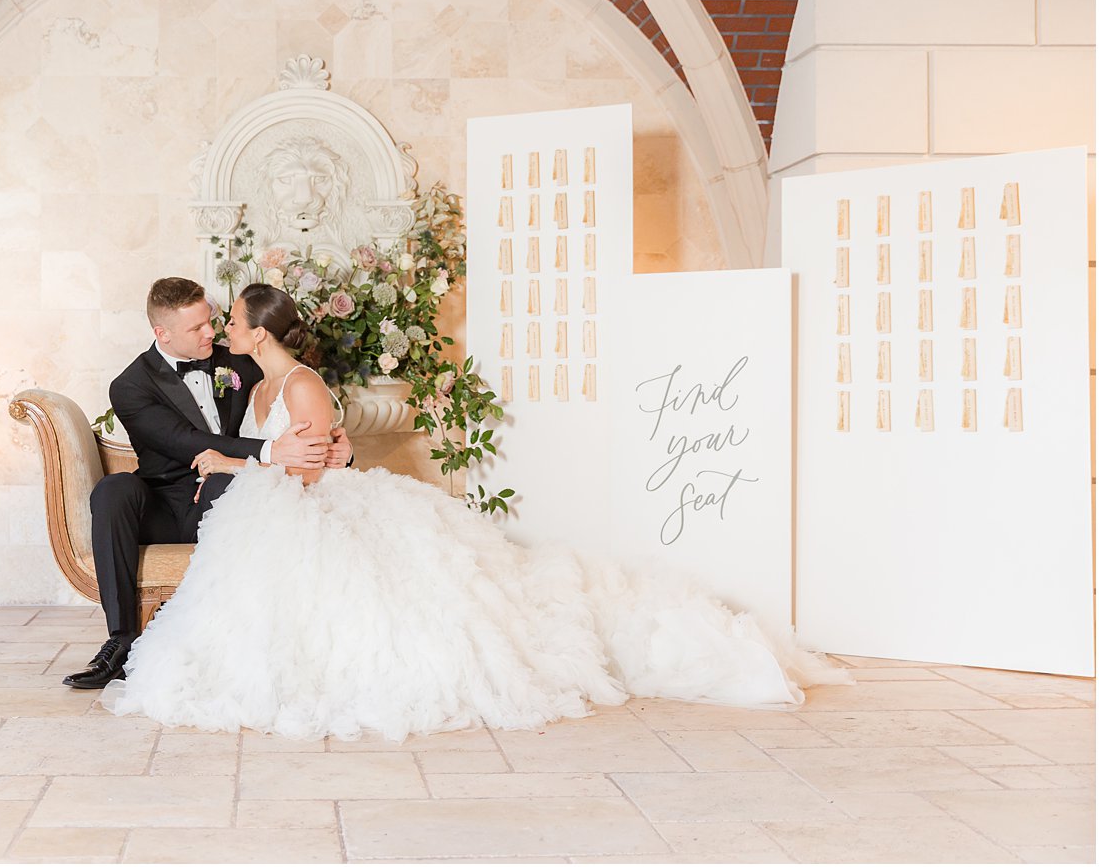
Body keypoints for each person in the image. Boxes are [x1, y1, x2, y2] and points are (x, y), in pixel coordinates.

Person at [100, 283, 851, 740]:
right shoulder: (243, 378)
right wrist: (236, 457)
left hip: (302, 508)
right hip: (258, 504)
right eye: (211, 324)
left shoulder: (297, 384)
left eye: (228, 321)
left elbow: (309, 459)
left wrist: (301, 454)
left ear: (256, 332)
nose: (221, 331)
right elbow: (230, 439)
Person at [61, 277, 353, 690]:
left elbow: (301, 398)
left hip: (226, 495)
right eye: (196, 328)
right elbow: (187, 443)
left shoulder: (239, 358)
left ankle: (212, 643)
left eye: (212, 321)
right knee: (112, 490)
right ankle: (120, 642)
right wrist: (271, 451)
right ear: (162, 333)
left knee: (221, 484)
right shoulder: (130, 386)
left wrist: (337, 447)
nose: (211, 333)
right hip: (164, 503)